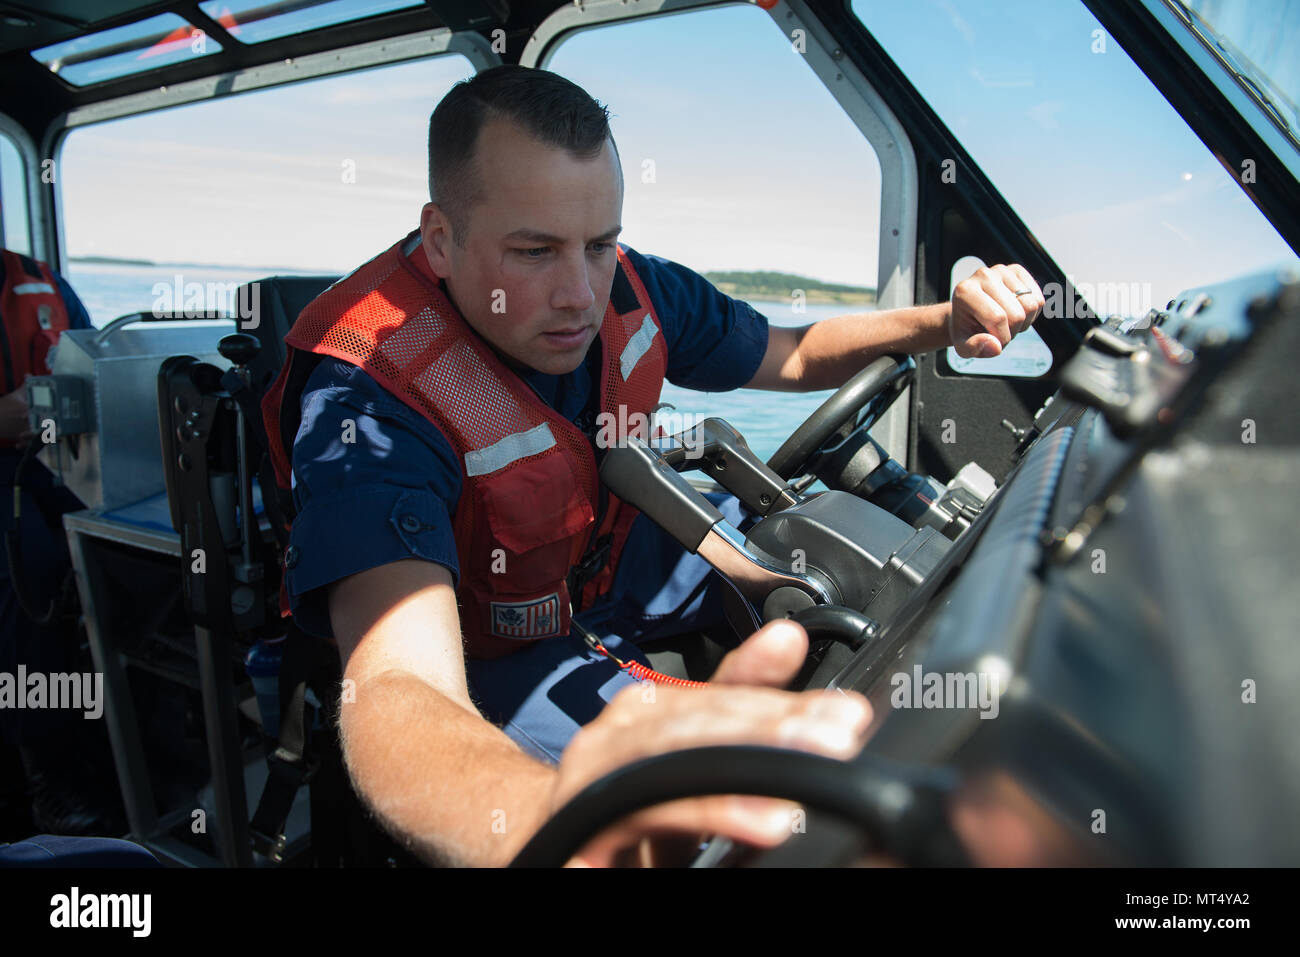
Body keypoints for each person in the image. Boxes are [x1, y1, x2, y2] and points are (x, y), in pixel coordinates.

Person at [261, 65, 1046, 867]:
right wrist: (549, 822)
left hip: (616, 563)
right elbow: (397, 690)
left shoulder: (631, 286)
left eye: (599, 243)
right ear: (440, 241)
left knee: (847, 578)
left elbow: (795, 352)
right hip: (496, 643)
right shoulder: (371, 401)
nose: (580, 293)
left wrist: (942, 323)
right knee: (718, 818)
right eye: (534, 251)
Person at [0, 245, 123, 837]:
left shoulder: (41, 280)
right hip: (8, 475)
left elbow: (94, 356)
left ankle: (143, 743)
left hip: (53, 459)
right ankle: (45, 770)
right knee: (30, 572)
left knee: (129, 541)